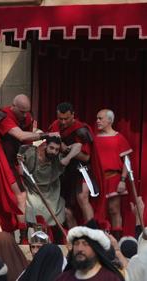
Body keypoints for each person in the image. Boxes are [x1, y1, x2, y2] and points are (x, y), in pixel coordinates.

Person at [0, 94, 58, 237]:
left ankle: (22, 235)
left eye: (27, 111)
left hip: (12, 162)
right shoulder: (3, 117)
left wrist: (22, 162)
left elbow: (25, 143)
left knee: (20, 197)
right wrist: (47, 135)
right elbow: (21, 136)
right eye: (21, 111)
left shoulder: (26, 118)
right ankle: (20, 235)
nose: (24, 115)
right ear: (13, 106)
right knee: (17, 196)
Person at [19, 135, 82, 243]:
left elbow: (78, 146)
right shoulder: (31, 154)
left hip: (51, 194)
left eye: (57, 149)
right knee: (35, 212)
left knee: (68, 214)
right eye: (51, 148)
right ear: (45, 146)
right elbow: (20, 156)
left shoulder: (59, 158)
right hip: (33, 192)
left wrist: (68, 157)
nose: (54, 151)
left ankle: (76, 241)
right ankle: (27, 240)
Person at [49, 102, 101, 227]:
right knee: (64, 206)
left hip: (80, 169)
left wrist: (66, 150)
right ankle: (74, 236)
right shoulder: (54, 126)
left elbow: (86, 157)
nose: (63, 122)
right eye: (60, 118)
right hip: (61, 170)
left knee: (82, 198)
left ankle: (91, 232)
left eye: (66, 119)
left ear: (73, 115)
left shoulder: (81, 130)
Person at [95, 109, 132, 239]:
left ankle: (117, 243)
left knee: (114, 210)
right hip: (97, 180)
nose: (97, 121)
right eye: (97, 118)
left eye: (101, 118)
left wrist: (123, 180)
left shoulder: (119, 137)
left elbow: (127, 161)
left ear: (110, 120)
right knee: (98, 212)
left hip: (114, 178)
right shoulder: (94, 138)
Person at [56, 226, 125, 281]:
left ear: (96, 249)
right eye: (76, 244)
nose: (80, 249)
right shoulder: (63, 278)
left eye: (85, 244)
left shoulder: (111, 279)